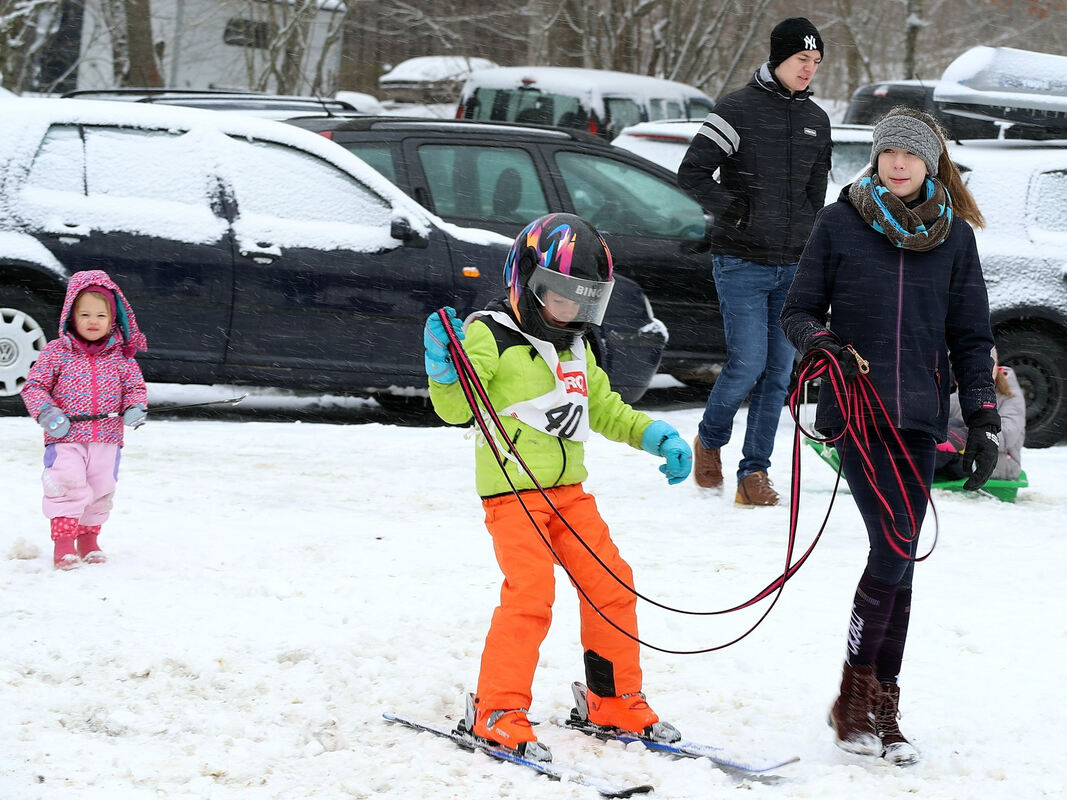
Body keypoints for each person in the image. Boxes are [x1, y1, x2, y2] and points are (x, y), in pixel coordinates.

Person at [424, 213, 692, 762]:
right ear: (525, 280)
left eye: (585, 301)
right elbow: (456, 409)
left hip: (569, 496)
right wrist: (444, 371)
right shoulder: (489, 336)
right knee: (531, 596)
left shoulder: (575, 346)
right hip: (513, 499)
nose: (571, 311)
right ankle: (495, 710)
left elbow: (606, 410)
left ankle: (612, 699)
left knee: (613, 584)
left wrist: (654, 434)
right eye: (560, 297)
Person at [781, 107, 1001, 765]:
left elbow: (970, 336)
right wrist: (819, 343)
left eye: (909, 156)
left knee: (899, 560)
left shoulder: (954, 239)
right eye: (887, 155)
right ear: (874, 160)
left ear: (929, 164)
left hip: (919, 418)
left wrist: (983, 417)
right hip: (857, 413)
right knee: (894, 548)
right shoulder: (838, 223)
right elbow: (796, 311)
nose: (897, 164)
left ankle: (881, 702)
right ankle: (856, 699)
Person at [677, 16, 832, 506]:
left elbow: (815, 191)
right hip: (741, 261)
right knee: (748, 363)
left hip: (793, 267)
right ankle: (710, 439)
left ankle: (754, 473)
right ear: (778, 58)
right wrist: (736, 210)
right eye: (801, 59)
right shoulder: (737, 110)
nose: (808, 69)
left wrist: (811, 240)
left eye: (815, 61)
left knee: (780, 371)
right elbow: (692, 172)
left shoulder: (818, 120)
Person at [21, 270, 148, 570]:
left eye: (101, 315)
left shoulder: (121, 358)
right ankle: (64, 545)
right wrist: (47, 413)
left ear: (113, 319)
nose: (93, 321)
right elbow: (34, 387)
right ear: (71, 316)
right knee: (66, 484)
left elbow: (134, 388)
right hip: (65, 437)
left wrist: (135, 406)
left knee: (101, 487)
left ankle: (88, 540)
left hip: (106, 437)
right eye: (85, 313)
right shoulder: (57, 352)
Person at [935, 349, 1025, 482]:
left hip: (998, 461)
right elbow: (939, 412)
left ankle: (913, 472)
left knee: (949, 439)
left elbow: (1008, 434)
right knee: (945, 427)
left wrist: (963, 436)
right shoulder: (965, 392)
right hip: (968, 455)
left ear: (996, 366)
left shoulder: (1010, 397)